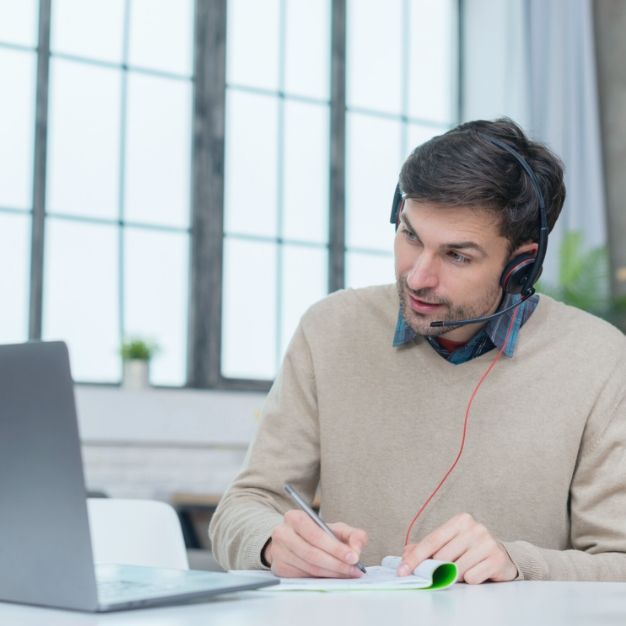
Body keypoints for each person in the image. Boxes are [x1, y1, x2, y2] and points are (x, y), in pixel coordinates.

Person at [209, 118, 626, 583]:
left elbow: (619, 560)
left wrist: (517, 564)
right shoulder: (329, 329)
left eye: (457, 256)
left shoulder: (600, 359)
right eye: (410, 236)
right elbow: (244, 506)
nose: (417, 276)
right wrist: (272, 543)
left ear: (520, 265)